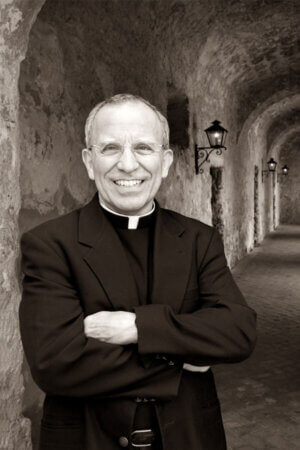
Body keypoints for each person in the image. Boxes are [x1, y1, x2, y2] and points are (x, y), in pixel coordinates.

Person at [19, 93, 256, 450]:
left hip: (189, 435)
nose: (127, 165)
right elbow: (54, 362)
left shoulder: (198, 239)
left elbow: (237, 333)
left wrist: (136, 328)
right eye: (110, 148)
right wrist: (184, 356)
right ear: (89, 161)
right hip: (87, 438)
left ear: (164, 162)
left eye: (143, 148)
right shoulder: (50, 243)